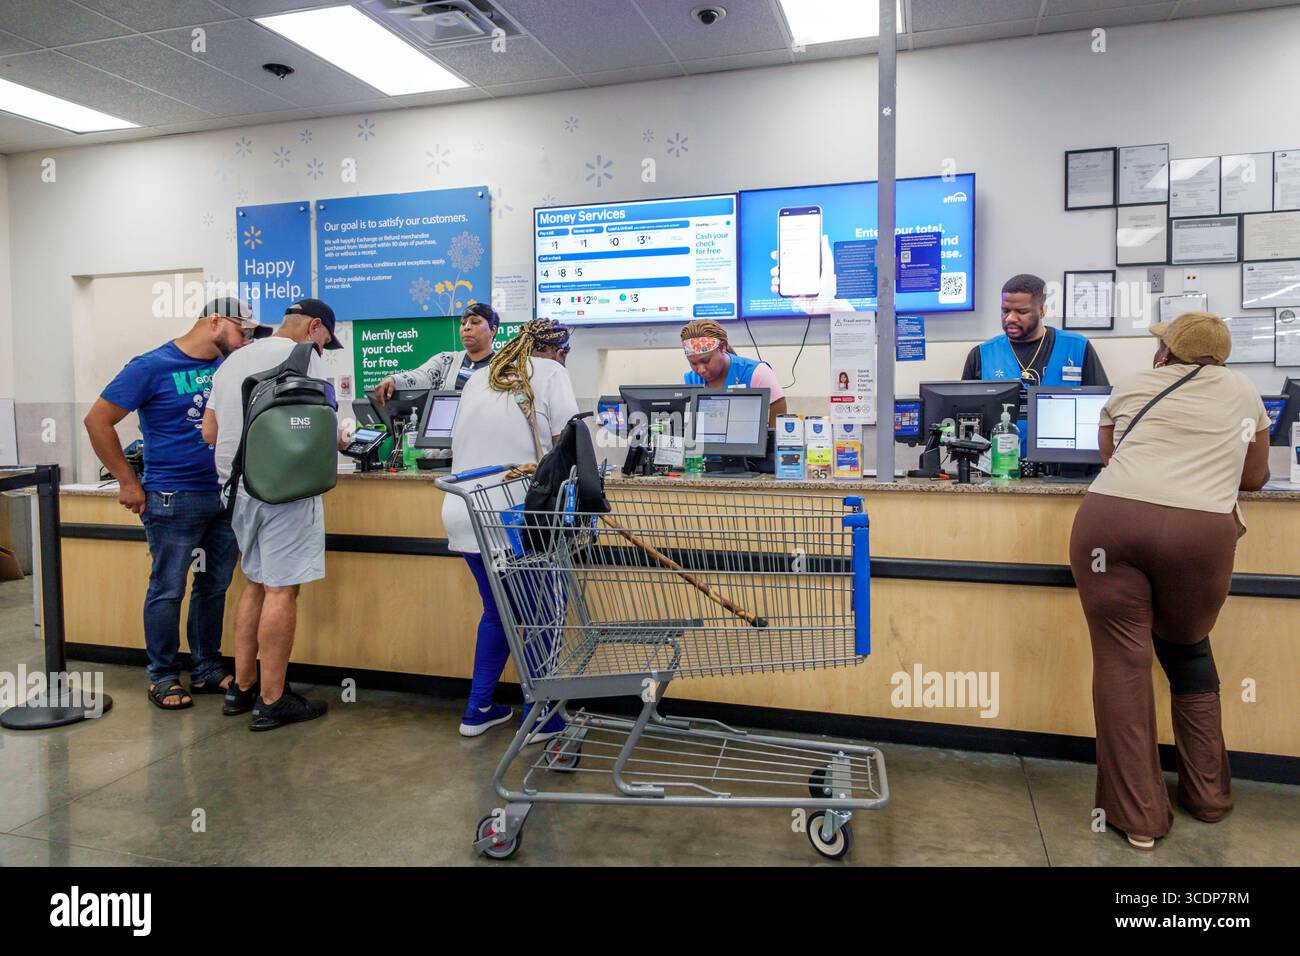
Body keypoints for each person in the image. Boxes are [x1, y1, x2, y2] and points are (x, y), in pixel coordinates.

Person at [1068, 312, 1270, 850]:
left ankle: (1139, 820)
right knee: (1188, 651)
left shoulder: (1132, 387)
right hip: (1199, 536)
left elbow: (1111, 457)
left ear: (1166, 352)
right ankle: (1208, 798)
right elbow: (1254, 476)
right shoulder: (1245, 392)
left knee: (1120, 661)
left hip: (1109, 527)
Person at [84, 297, 256, 710]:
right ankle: (162, 676)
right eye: (241, 331)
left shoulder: (228, 367)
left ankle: (206, 668)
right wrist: (128, 480)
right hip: (172, 496)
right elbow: (97, 420)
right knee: (168, 588)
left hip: (223, 494)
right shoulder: (150, 366)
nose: (245, 341)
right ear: (215, 321)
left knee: (214, 586)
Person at [202, 298, 345, 731]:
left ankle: (241, 688)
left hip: (238, 487)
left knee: (255, 584)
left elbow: (210, 430)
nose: (323, 348)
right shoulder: (304, 358)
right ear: (315, 328)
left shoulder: (235, 359)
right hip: (285, 489)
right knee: (283, 591)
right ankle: (273, 699)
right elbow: (327, 433)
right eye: (325, 340)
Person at [442, 319, 576, 739]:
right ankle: (543, 716)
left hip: (465, 509)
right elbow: (569, 448)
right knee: (542, 614)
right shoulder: (552, 372)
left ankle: (478, 710)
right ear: (558, 351)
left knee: (498, 610)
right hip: (516, 517)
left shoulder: (479, 377)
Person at [962, 274, 1109, 455]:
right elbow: (964, 419)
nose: (1010, 318)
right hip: (1000, 465)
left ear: (1042, 310)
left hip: (1064, 465)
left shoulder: (1077, 347)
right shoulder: (982, 354)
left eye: (1021, 312)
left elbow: (1103, 410)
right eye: (1005, 310)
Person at [372, 302, 500, 402]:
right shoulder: (446, 361)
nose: (466, 327)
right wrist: (393, 380)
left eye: (475, 322)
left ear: (493, 330)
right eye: (463, 323)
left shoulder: (505, 366)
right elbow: (419, 376)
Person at [679, 319, 787, 426]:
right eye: (693, 363)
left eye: (706, 361)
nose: (701, 369)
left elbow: (779, 417)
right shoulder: (688, 381)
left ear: (722, 347)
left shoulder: (756, 373)